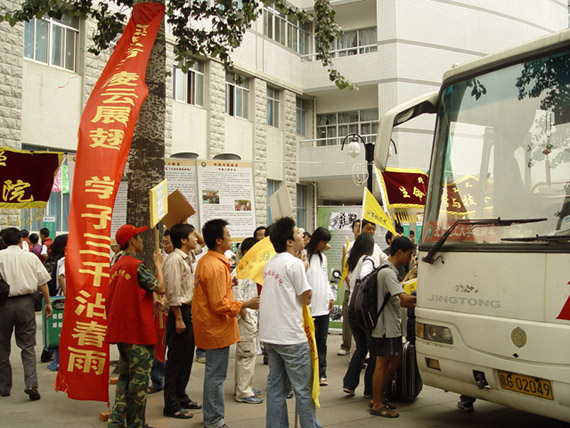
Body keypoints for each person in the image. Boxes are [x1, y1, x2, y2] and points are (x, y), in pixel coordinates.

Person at [192, 219, 259, 428]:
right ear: (218, 240)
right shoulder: (215, 266)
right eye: (228, 235)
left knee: (214, 373)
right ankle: (213, 419)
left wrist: (229, 283)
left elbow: (212, 293)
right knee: (216, 375)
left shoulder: (208, 261)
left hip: (211, 326)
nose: (231, 238)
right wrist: (245, 303)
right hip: (215, 327)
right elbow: (219, 304)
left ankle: (212, 416)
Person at [259, 217, 321, 428]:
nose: (302, 235)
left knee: (276, 388)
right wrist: (303, 269)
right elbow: (306, 298)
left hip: (271, 335)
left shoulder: (271, 263)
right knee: (303, 389)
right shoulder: (294, 264)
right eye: (297, 232)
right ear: (289, 241)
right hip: (291, 336)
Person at [105, 224, 166, 428]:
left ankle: (116, 420)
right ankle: (136, 424)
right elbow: (161, 288)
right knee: (138, 383)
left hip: (122, 331)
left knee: (125, 378)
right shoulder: (136, 266)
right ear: (132, 241)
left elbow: (129, 296)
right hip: (137, 333)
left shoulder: (117, 265)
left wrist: (150, 303)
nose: (142, 241)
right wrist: (158, 265)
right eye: (139, 237)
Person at [0, 227, 52, 400]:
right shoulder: (31, 257)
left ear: (3, 241)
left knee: (2, 346)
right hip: (26, 304)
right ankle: (31, 384)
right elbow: (43, 282)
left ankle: (4, 387)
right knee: (28, 346)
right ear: (21, 240)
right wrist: (48, 303)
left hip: (4, 305)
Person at [370, 236, 416, 418]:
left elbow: (399, 301)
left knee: (395, 361)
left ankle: (379, 396)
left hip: (391, 326)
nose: (410, 258)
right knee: (382, 364)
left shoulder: (389, 271)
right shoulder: (388, 273)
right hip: (385, 327)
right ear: (399, 252)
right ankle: (377, 403)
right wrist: (426, 299)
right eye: (409, 254)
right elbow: (404, 298)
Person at [162, 223, 202, 419]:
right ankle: (171, 404)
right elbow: (173, 291)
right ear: (184, 240)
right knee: (176, 360)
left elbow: (202, 242)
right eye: (192, 235)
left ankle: (181, 395)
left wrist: (185, 222)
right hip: (179, 312)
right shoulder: (174, 260)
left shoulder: (187, 256)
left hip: (187, 311)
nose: (196, 239)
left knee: (186, 358)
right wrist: (178, 318)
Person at [342, 233, 376, 397]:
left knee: (361, 348)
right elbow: (365, 276)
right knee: (373, 350)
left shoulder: (353, 260)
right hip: (363, 311)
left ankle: (349, 384)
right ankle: (370, 389)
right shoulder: (368, 260)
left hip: (352, 309)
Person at [233, 237, 263, 404]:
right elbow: (238, 300)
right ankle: (244, 392)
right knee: (246, 354)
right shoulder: (240, 272)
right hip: (245, 319)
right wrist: (247, 319)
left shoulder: (251, 271)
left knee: (248, 354)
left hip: (251, 318)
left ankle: (244, 386)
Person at [305, 227, 334, 386]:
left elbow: (325, 279)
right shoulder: (304, 256)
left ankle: (321, 373)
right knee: (308, 342)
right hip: (310, 306)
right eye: (323, 241)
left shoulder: (323, 258)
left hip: (323, 305)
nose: (325, 245)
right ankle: (308, 372)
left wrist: (330, 296)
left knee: (322, 341)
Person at [43, 234, 68, 371]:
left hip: (54, 297)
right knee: (60, 328)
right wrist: (66, 295)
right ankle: (57, 357)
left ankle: (49, 353)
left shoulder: (51, 259)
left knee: (55, 327)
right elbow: (60, 277)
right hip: (60, 298)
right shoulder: (63, 260)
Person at [338, 219, 361, 356]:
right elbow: (344, 268)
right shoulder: (348, 246)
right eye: (356, 226)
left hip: (361, 288)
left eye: (360, 226)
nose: (358, 229)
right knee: (347, 316)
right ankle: (345, 345)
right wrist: (349, 283)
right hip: (349, 287)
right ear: (352, 229)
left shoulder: (368, 247)